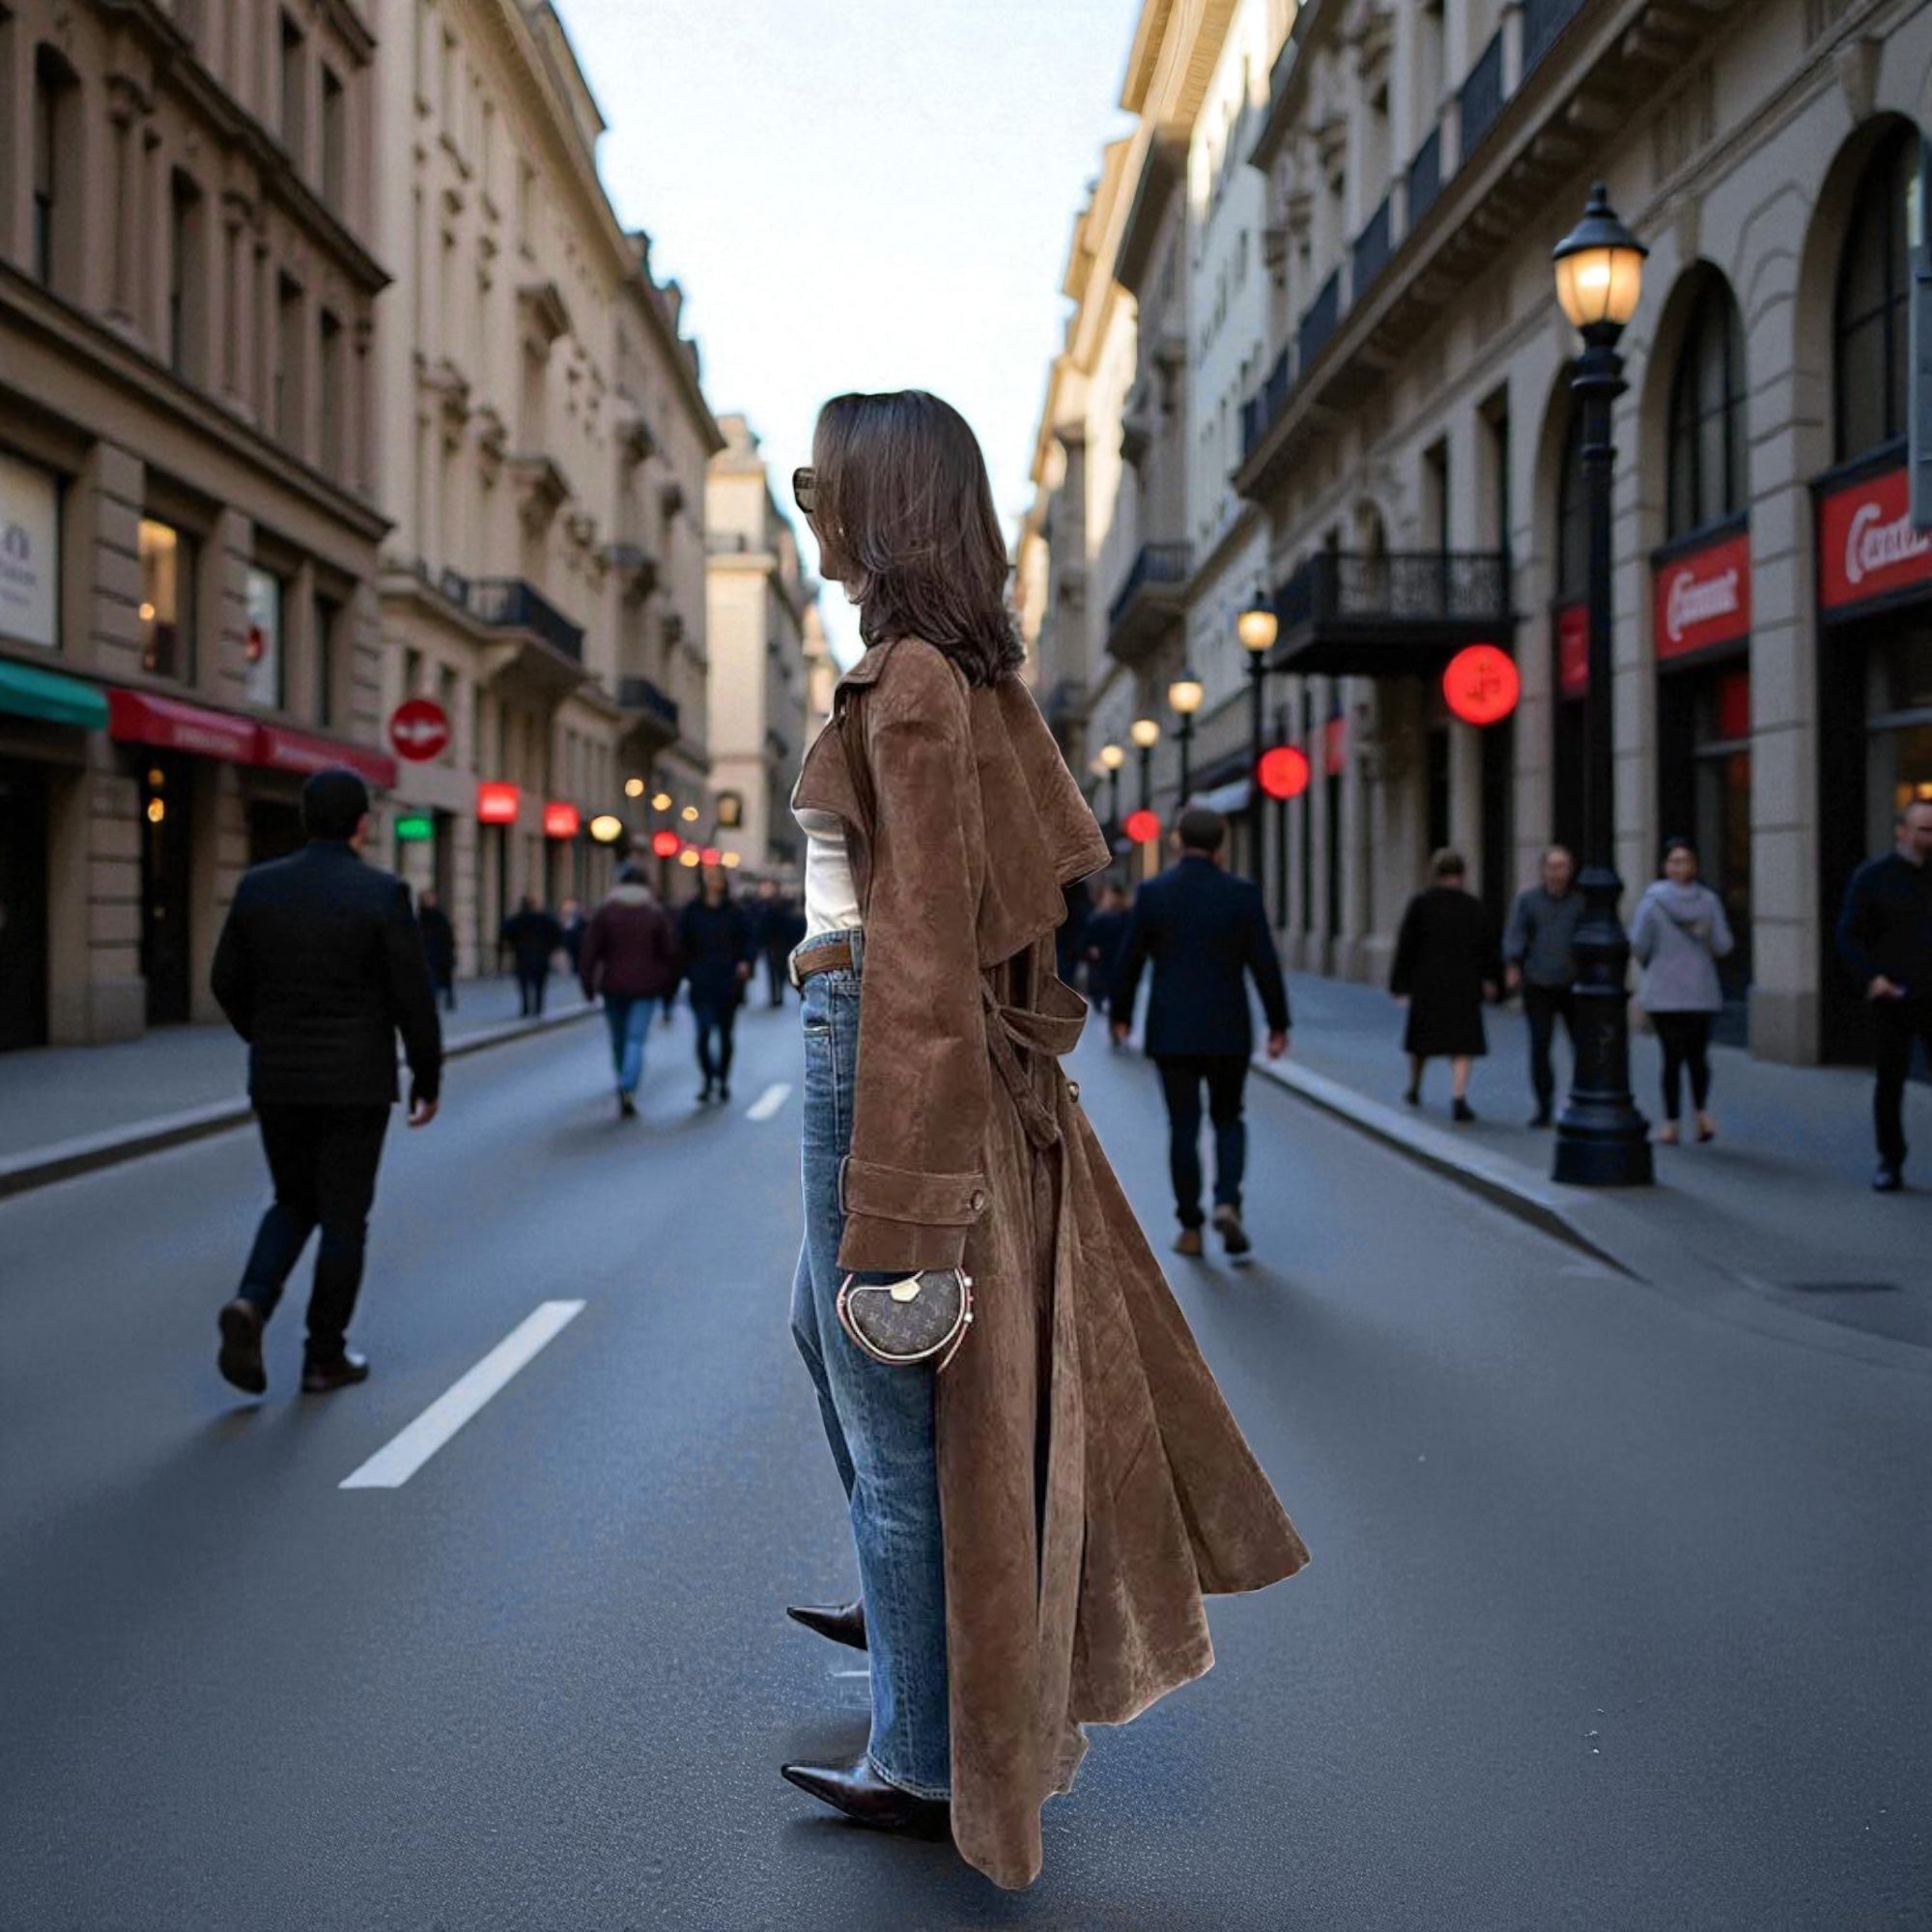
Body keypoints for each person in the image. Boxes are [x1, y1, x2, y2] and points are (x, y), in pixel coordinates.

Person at [782, 389, 1306, 1887]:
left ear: (885, 503)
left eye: (831, 482)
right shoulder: (947, 674)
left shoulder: (915, 687)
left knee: (889, 1392)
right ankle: (911, 1625)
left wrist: (911, 1206)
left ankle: (920, 1749)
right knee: (825, 1342)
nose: (813, 506)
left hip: (867, 1038)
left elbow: (931, 959)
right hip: (861, 1031)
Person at [209, 768, 441, 1397]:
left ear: (304, 818)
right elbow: (412, 997)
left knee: (291, 1199)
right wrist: (427, 1074)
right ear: (363, 823)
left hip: (279, 1078)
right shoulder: (382, 894)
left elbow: (224, 981)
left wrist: (264, 1037)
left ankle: (252, 1303)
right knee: (344, 1216)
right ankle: (323, 1356)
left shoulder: (258, 889)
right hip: (356, 1082)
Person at [1109, 810, 1290, 1262]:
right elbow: (1264, 963)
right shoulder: (1242, 894)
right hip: (1229, 1028)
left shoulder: (1154, 894)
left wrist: (1122, 1014)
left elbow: (1129, 960)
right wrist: (1278, 1023)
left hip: (1173, 1030)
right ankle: (1227, 1199)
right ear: (1222, 842)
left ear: (1176, 841)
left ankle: (1189, 1225)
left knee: (1183, 1127)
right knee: (1229, 1117)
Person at [1835, 797, 1932, 1190]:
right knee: (1890, 1081)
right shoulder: (1873, 877)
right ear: (1902, 831)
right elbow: (1848, 933)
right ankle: (1890, 1160)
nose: (1930, 836)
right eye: (1924, 829)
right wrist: (1872, 979)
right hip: (1893, 997)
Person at [1631, 838, 1735, 1147]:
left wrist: (1656, 962)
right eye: (1675, 861)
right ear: (1667, 866)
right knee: (1696, 1056)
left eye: (1683, 860)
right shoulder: (1709, 901)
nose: (1679, 866)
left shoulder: (1651, 902)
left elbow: (1638, 945)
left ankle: (1671, 1123)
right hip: (1701, 989)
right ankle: (1700, 1114)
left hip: (1664, 991)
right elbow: (1724, 945)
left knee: (1672, 1058)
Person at [1391, 848, 1500, 1122]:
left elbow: (1407, 945)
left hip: (1428, 983)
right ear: (1461, 875)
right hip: (1464, 983)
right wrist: (1491, 978)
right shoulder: (1472, 906)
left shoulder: (1421, 903)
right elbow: (1486, 945)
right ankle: (1459, 1095)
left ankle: (1415, 1086)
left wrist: (1400, 985)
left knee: (1421, 1041)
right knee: (1462, 1043)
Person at [578, 864, 680, 1118]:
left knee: (619, 1039)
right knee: (636, 1039)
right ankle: (628, 1086)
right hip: (646, 987)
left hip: (613, 985)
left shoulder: (606, 913)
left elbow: (589, 952)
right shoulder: (653, 914)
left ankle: (622, 1079)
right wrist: (668, 987)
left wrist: (588, 986)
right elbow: (669, 953)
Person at [1503, 844, 1582, 1127]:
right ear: (1543, 870)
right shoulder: (1529, 901)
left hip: (1573, 984)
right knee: (1540, 1046)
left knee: (1580, 1045)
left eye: (1562, 866)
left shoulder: (1579, 902)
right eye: (1552, 866)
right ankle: (1544, 1105)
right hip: (1538, 981)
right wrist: (1513, 966)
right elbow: (1516, 933)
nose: (1557, 873)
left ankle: (1580, 1099)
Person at [676, 866, 754, 1102]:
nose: (713, 882)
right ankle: (708, 1077)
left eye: (717, 878)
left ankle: (723, 1079)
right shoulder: (692, 911)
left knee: (725, 1034)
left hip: (728, 980)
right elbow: (681, 943)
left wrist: (745, 962)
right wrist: (686, 970)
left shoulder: (735, 911)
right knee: (702, 1033)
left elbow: (749, 940)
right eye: (709, 878)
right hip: (701, 981)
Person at [499, 895, 563, 1017]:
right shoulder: (544, 919)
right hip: (541, 956)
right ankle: (538, 1008)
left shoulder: (516, 920)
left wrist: (512, 945)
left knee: (523, 984)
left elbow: (505, 934)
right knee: (540, 984)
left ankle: (525, 1007)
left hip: (522, 956)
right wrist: (551, 948)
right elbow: (557, 933)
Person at [1079, 880, 1130, 1026]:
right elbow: (1085, 941)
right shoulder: (1099, 918)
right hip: (1102, 966)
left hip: (1114, 964)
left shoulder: (1124, 917)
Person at [417, 886, 457, 1012]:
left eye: (430, 898)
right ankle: (433, 1002)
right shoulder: (420, 916)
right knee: (431, 980)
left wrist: (449, 951)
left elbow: (448, 936)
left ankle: (449, 998)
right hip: (428, 953)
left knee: (446, 980)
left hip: (442, 953)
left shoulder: (440, 916)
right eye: (425, 898)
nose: (428, 901)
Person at [558, 895, 586, 975]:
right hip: (567, 936)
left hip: (577, 938)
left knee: (576, 953)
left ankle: (575, 967)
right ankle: (570, 967)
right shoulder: (563, 915)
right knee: (568, 953)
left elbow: (583, 926)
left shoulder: (579, 916)